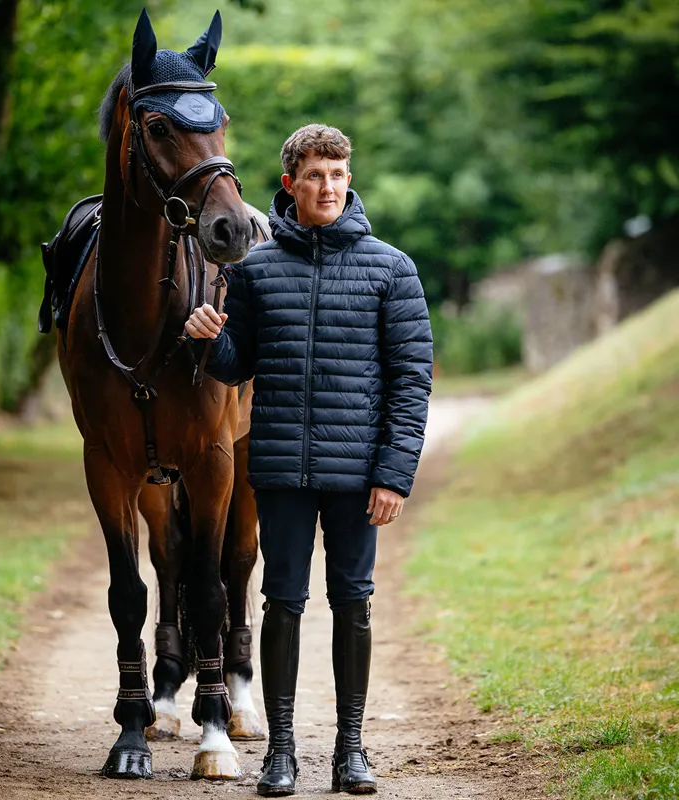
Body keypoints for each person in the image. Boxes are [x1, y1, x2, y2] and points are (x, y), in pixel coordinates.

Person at [185, 124, 433, 796]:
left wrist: (393, 474)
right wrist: (210, 340)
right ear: (290, 183)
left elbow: (412, 381)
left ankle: (351, 752)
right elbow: (238, 366)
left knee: (354, 605)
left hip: (359, 477)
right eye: (316, 176)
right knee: (282, 603)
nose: (328, 187)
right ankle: (282, 754)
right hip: (283, 472)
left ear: (349, 180)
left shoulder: (392, 268)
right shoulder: (255, 271)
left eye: (339, 175)